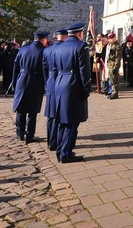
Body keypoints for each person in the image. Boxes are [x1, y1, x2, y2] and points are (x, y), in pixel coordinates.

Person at [52, 22, 92, 163]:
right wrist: (87, 88)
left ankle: (60, 151)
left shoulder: (58, 47)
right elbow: (84, 70)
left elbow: (55, 68)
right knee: (72, 121)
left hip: (60, 83)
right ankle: (66, 153)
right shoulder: (82, 46)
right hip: (73, 85)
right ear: (80, 33)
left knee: (62, 121)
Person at [12, 30, 48, 143]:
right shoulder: (44, 51)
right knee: (32, 110)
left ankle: (20, 133)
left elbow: (15, 66)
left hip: (22, 79)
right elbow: (45, 69)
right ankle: (30, 134)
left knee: (21, 107)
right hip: (36, 81)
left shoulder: (23, 49)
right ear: (43, 39)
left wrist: (14, 81)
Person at [43, 28, 67, 151]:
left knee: (51, 114)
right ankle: (57, 141)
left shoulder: (47, 50)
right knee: (61, 113)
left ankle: (50, 142)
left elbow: (44, 68)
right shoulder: (64, 48)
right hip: (62, 81)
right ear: (65, 37)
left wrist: (47, 81)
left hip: (51, 81)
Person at [105, 33, 120, 99]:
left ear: (114, 38)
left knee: (114, 79)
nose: (109, 40)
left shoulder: (117, 46)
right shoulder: (111, 45)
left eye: (111, 38)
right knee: (111, 79)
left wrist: (115, 67)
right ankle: (113, 92)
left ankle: (115, 93)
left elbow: (118, 57)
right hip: (110, 64)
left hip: (113, 65)